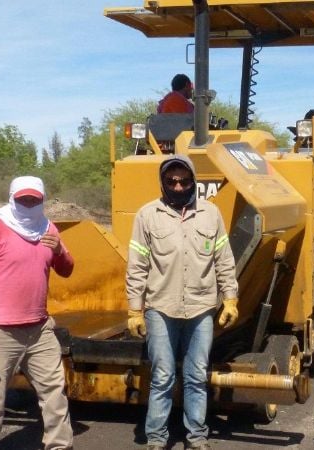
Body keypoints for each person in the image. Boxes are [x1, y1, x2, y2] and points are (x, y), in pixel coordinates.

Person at [125, 155, 239, 450]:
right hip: (161, 308)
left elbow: (224, 260)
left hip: (201, 308)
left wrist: (230, 299)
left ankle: (197, 437)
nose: (178, 186)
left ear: (193, 182)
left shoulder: (211, 214)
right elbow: (137, 266)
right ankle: (156, 438)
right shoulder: (147, 215)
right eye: (171, 181)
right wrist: (135, 309)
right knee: (162, 375)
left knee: (196, 375)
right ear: (163, 182)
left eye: (184, 181)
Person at [0, 176, 75, 449]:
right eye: (24, 199)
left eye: (35, 199)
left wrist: (59, 250)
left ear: (43, 200)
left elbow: (67, 270)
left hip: (39, 328)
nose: (29, 203)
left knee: (55, 394)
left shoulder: (47, 229)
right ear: (12, 198)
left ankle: (60, 445)